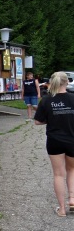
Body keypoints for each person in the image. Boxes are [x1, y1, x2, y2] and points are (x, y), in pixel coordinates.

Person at [34, 71, 74, 217]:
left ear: (52, 83)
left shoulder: (46, 100)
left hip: (54, 141)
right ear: (67, 82)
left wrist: (51, 119)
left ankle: (62, 209)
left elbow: (38, 121)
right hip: (72, 140)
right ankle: (72, 200)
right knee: (72, 170)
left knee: (58, 174)